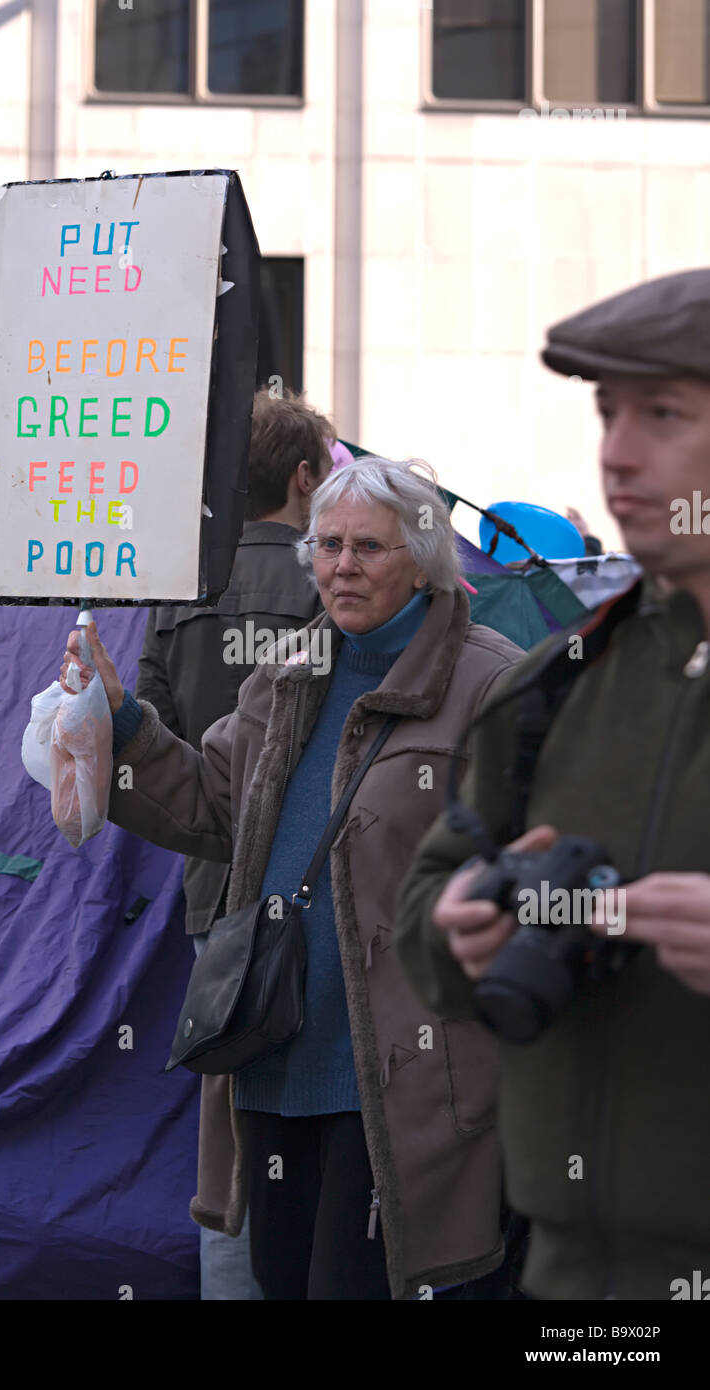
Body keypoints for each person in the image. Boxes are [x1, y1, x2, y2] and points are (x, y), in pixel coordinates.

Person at [59, 456, 525, 1300]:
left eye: (369, 549)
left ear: (423, 560)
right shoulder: (288, 673)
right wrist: (122, 721)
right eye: (329, 545)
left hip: (399, 1081)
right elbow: (210, 808)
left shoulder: (490, 683)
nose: (341, 566)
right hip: (275, 1062)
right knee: (284, 1280)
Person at [395, 265, 710, 1301]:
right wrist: (458, 923)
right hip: (570, 1281)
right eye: (607, 412)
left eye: (661, 414)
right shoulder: (553, 687)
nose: (616, 452)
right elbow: (424, 913)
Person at [134, 386, 333, 1299]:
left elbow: (149, 742)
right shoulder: (340, 583)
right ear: (303, 477)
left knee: (230, 1135)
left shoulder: (180, 585)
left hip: (214, 896)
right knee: (330, 1119)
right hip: (318, 897)